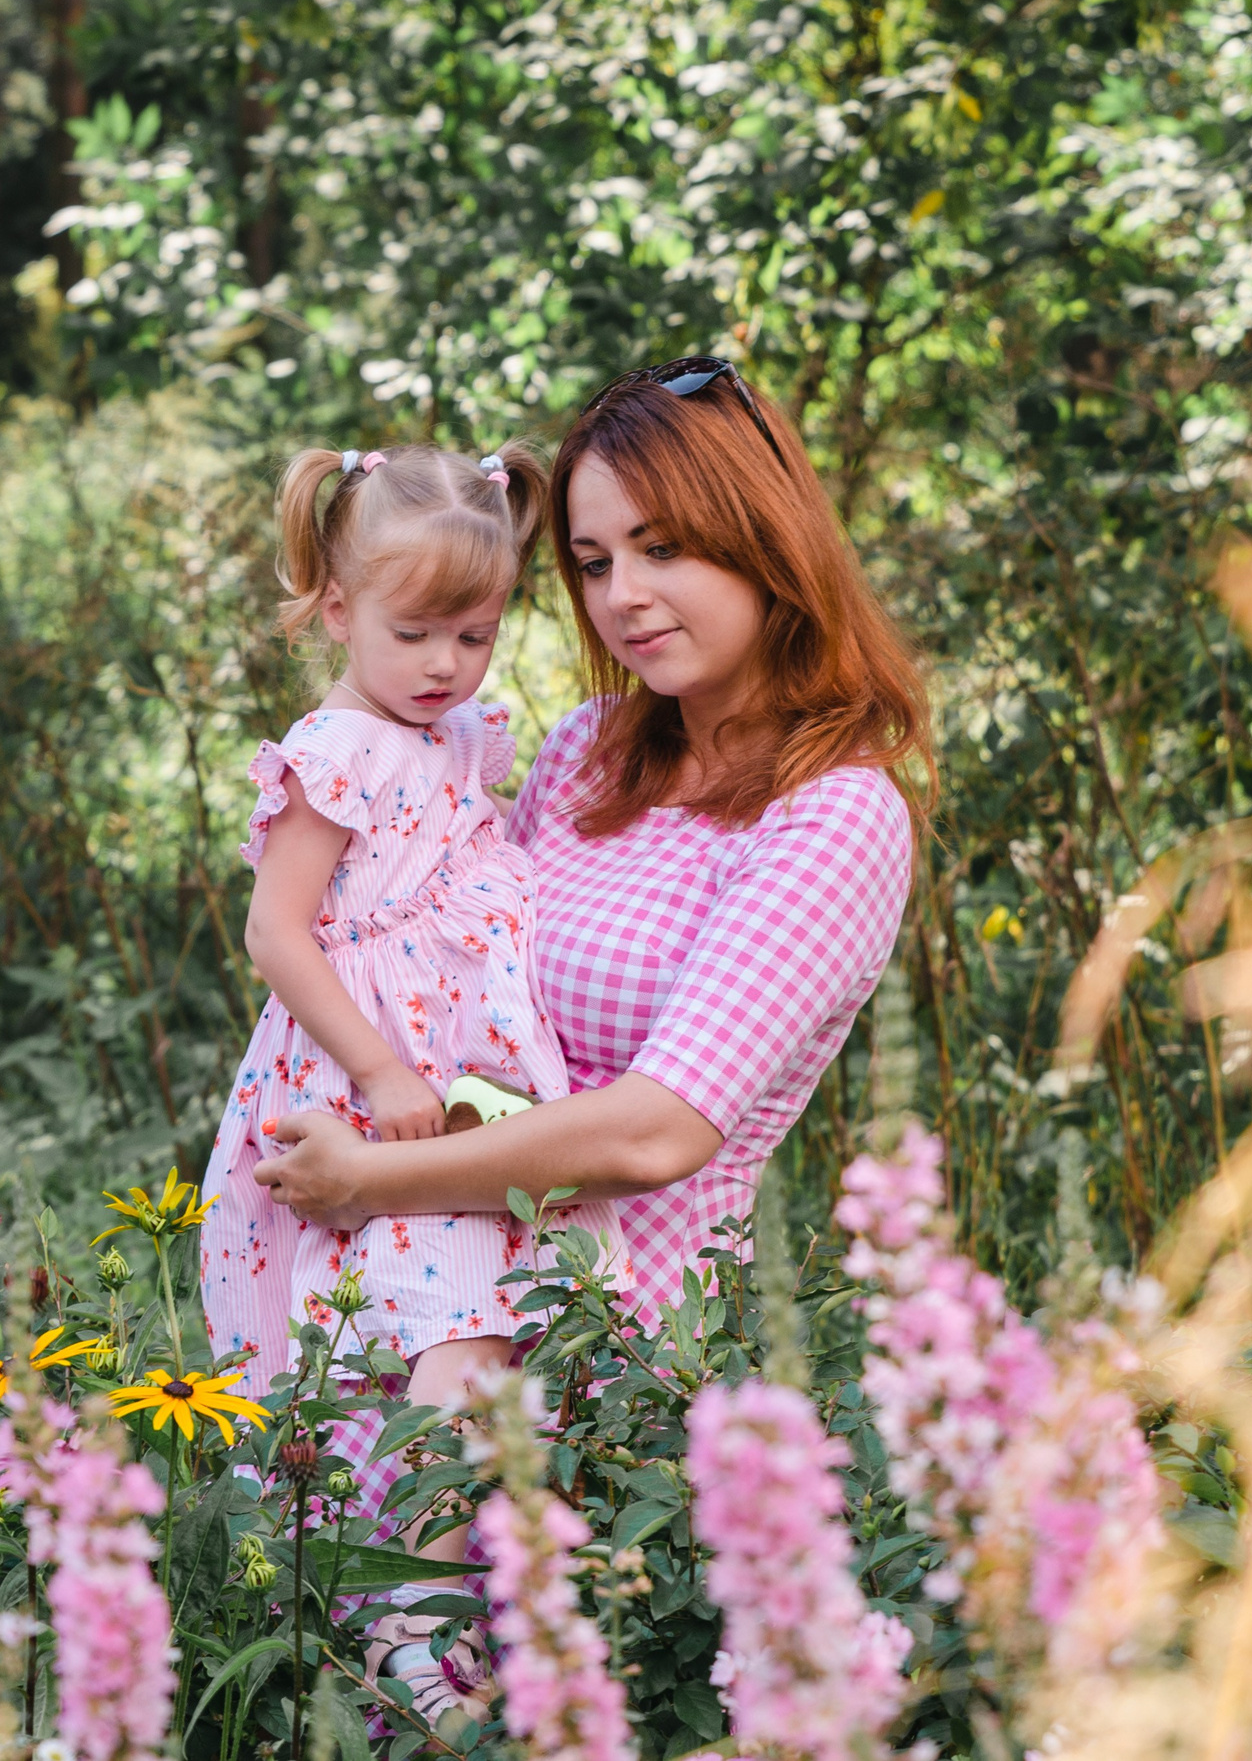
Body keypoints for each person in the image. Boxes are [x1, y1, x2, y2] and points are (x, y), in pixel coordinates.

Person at [252, 353, 931, 1379]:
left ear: (763, 539)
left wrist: (370, 1179)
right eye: (595, 560)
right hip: (426, 1274)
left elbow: (655, 1132)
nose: (625, 595)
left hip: (608, 1351)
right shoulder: (587, 748)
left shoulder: (833, 814)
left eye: (661, 547)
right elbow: (439, 967)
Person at [198, 439, 633, 1718]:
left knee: (474, 1339)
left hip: (463, 1096)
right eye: (416, 633)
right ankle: (416, 1637)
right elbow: (277, 932)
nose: (447, 665)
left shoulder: (459, 742)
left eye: (477, 635)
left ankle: (439, 1617)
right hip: (366, 1086)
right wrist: (378, 1061)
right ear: (336, 609)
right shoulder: (336, 747)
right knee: (445, 1339)